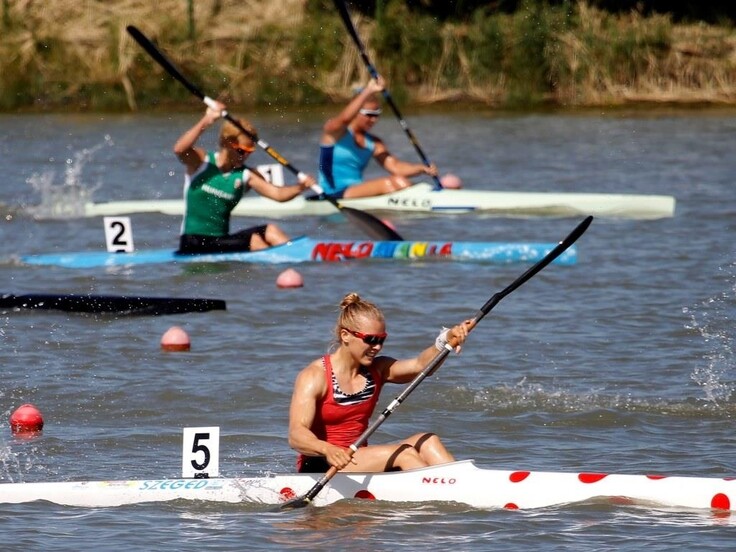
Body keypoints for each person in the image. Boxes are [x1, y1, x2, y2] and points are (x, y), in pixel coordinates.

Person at [288, 292, 473, 474]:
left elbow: (422, 366)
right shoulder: (314, 376)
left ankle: (462, 488)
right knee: (405, 454)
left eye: (381, 340)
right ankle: (437, 496)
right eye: (371, 340)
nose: (377, 347)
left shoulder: (378, 369)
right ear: (345, 335)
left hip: (357, 457)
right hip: (321, 463)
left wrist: (446, 339)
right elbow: (296, 435)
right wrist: (328, 449)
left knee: (428, 440)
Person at [173, 101, 316, 254]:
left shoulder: (245, 175)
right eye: (241, 151)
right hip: (193, 243)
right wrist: (208, 119)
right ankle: (278, 271)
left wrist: (300, 187)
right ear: (226, 143)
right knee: (254, 241)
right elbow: (180, 149)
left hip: (220, 240)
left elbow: (278, 195)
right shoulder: (201, 162)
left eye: (250, 151)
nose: (245, 156)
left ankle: (297, 261)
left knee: (271, 231)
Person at [317, 76, 438, 199]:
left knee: (400, 181)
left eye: (377, 115)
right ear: (356, 111)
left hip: (357, 191)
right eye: (369, 115)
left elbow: (395, 167)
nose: (373, 120)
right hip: (331, 193)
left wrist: (421, 169)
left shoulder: (374, 142)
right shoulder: (333, 132)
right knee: (393, 183)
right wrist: (369, 90)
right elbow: (344, 119)